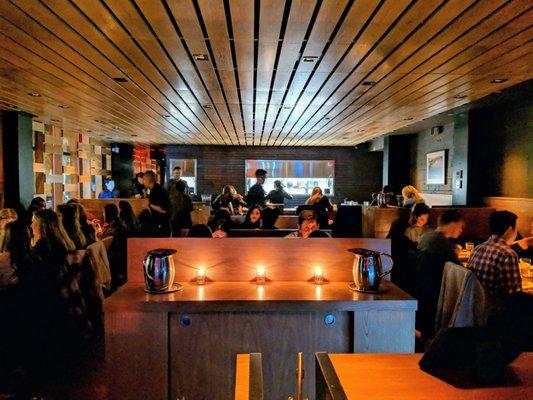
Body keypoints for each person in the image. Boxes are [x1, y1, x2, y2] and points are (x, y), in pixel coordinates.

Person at [415, 209, 463, 337]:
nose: (461, 230)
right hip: (435, 293)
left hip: (421, 289)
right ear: (453, 224)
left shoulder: (427, 236)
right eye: (460, 226)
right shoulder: (443, 244)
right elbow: (461, 273)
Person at [468, 211, 522, 314]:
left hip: (475, 308)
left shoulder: (477, 248)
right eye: (516, 229)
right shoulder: (508, 254)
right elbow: (515, 295)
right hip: (496, 312)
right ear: (510, 230)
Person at [143, 170, 170, 237]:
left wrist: (150, 205)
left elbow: (162, 209)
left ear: (147, 180)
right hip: (159, 223)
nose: (143, 182)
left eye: (143, 179)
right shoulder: (154, 189)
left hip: (161, 224)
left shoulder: (157, 190)